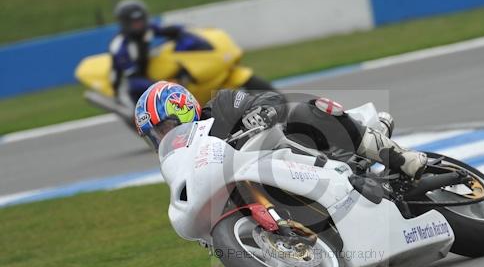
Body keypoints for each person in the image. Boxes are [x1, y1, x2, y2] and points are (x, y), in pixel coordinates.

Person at [135, 81, 427, 179]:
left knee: (307, 109)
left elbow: (271, 99)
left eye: (165, 128)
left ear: (182, 107)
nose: (163, 138)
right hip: (273, 180)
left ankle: (398, 156)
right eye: (156, 136)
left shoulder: (223, 105)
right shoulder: (188, 160)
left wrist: (261, 113)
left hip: (298, 147)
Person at [109, 0, 211, 107]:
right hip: (127, 85)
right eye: (134, 22)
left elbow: (168, 30)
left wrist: (188, 30)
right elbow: (132, 77)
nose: (138, 24)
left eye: (140, 20)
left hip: (144, 73)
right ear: (125, 23)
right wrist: (164, 86)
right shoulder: (121, 46)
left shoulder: (147, 29)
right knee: (162, 90)